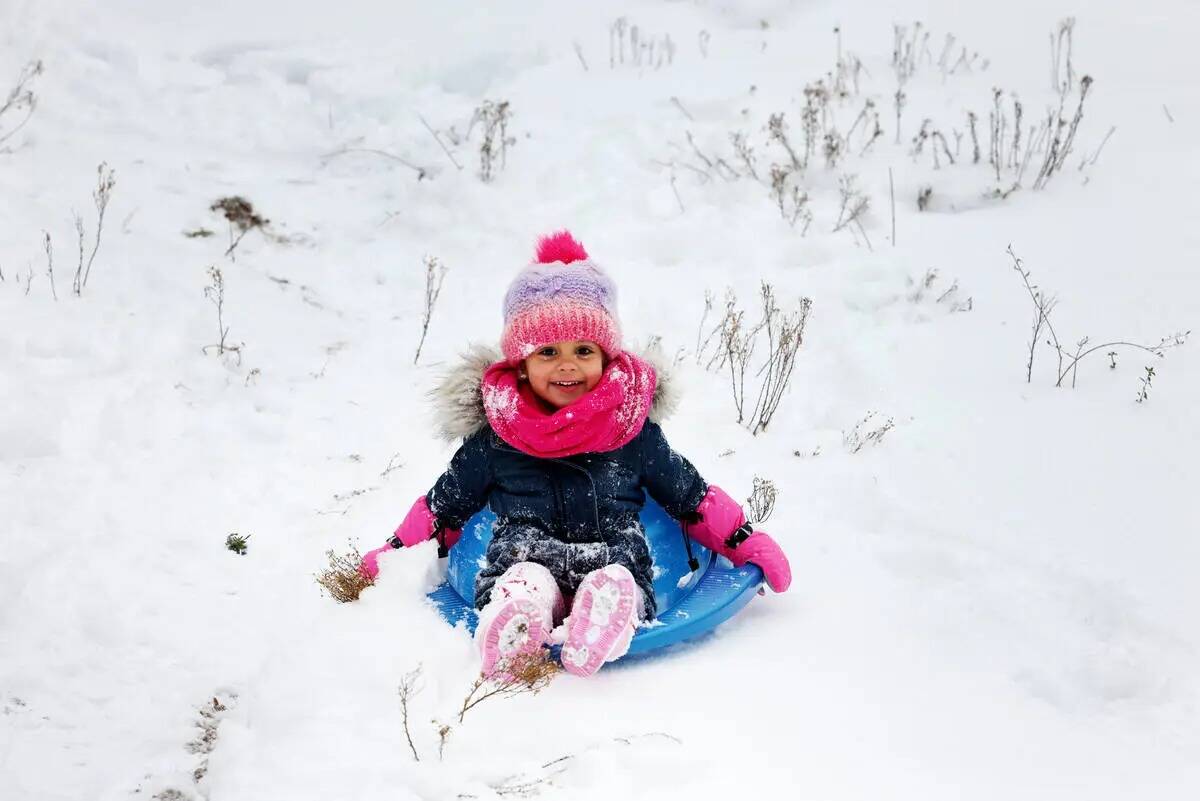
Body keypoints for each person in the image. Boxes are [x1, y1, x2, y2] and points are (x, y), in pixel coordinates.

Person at [360, 231, 791, 677]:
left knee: (618, 581)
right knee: (519, 582)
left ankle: (603, 617)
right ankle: (518, 617)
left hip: (612, 555)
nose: (567, 365)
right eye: (548, 352)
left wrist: (744, 542)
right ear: (521, 365)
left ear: (606, 358)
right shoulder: (497, 435)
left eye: (583, 350)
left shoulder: (632, 430)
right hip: (523, 555)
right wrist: (394, 552)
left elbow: (692, 499)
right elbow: (444, 508)